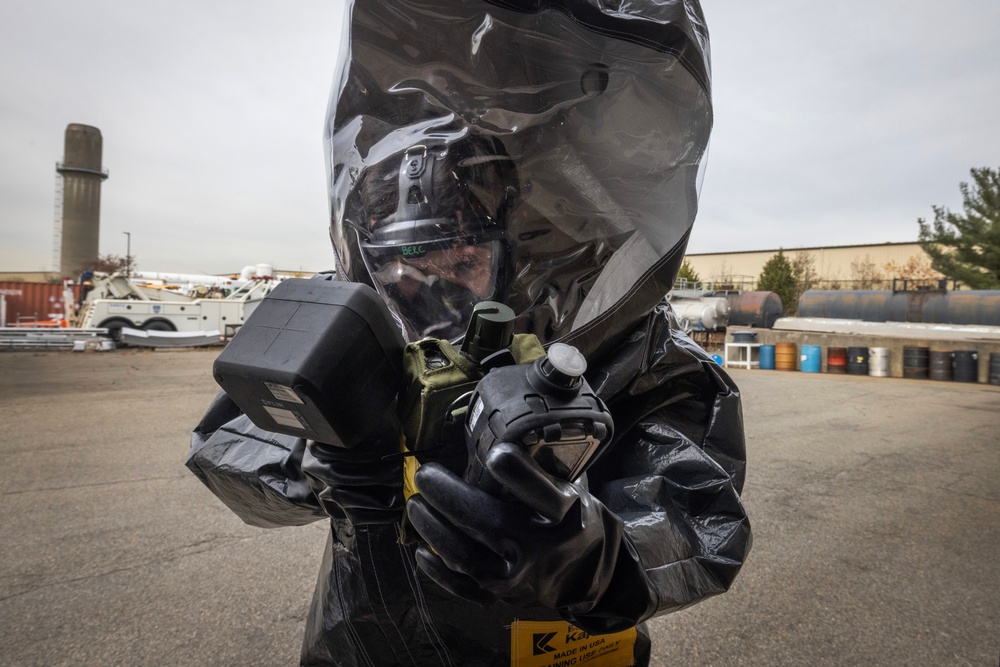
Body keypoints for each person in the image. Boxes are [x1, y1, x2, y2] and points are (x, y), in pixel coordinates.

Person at [187, 2, 751, 665]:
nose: (430, 290)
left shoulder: (610, 341)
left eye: (461, 264)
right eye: (405, 267)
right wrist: (308, 462)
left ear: (510, 251)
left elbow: (700, 510)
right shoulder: (348, 321)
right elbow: (223, 439)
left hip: (548, 649)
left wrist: (601, 558)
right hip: (363, 645)